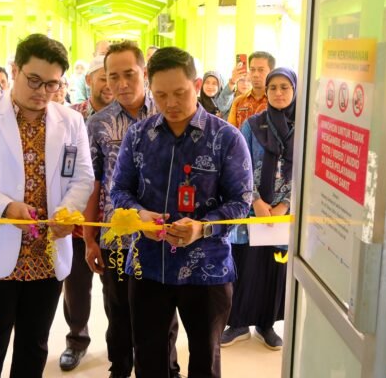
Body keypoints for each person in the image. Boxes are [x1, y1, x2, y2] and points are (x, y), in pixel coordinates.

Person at [0, 33, 94, 378]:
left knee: (34, 346)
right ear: (14, 70)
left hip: (45, 256)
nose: (42, 91)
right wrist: (4, 207)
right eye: (34, 80)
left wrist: (67, 212)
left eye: (52, 84)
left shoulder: (70, 121)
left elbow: (83, 177)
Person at [109, 46, 253, 378]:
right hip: (148, 265)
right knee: (150, 359)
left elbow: (241, 203)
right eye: (160, 95)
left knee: (205, 358)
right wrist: (138, 215)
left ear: (197, 85)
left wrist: (202, 227)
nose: (170, 103)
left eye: (179, 93)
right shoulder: (139, 135)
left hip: (207, 270)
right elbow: (119, 191)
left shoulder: (226, 138)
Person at [84, 41, 181, 378]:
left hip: (162, 235)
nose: (121, 83)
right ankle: (120, 367)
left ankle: (167, 367)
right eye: (113, 76)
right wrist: (90, 239)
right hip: (116, 237)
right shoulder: (98, 123)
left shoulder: (169, 113)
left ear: (145, 72)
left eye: (129, 74)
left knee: (163, 312)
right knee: (118, 309)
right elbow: (94, 184)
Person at [221, 67, 296, 350]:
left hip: (283, 215)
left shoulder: (305, 129)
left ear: (295, 90)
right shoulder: (252, 126)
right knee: (245, 265)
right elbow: (237, 165)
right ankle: (238, 324)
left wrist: (285, 204)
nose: (278, 93)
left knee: (275, 268)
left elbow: (307, 170)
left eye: (284, 87)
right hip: (251, 211)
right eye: (273, 87)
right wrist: (256, 201)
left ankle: (267, 324)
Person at [56, 54, 114, 373]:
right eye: (103, 77)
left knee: (116, 290)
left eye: (114, 77)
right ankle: (76, 340)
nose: (110, 84)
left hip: (116, 223)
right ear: (89, 80)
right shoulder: (70, 117)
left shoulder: (128, 118)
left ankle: (120, 344)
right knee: (76, 287)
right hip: (76, 221)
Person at [227, 51, 276, 129]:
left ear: (272, 72)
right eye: (252, 70)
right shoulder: (239, 101)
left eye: (261, 70)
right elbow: (231, 131)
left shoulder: (277, 100)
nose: (255, 74)